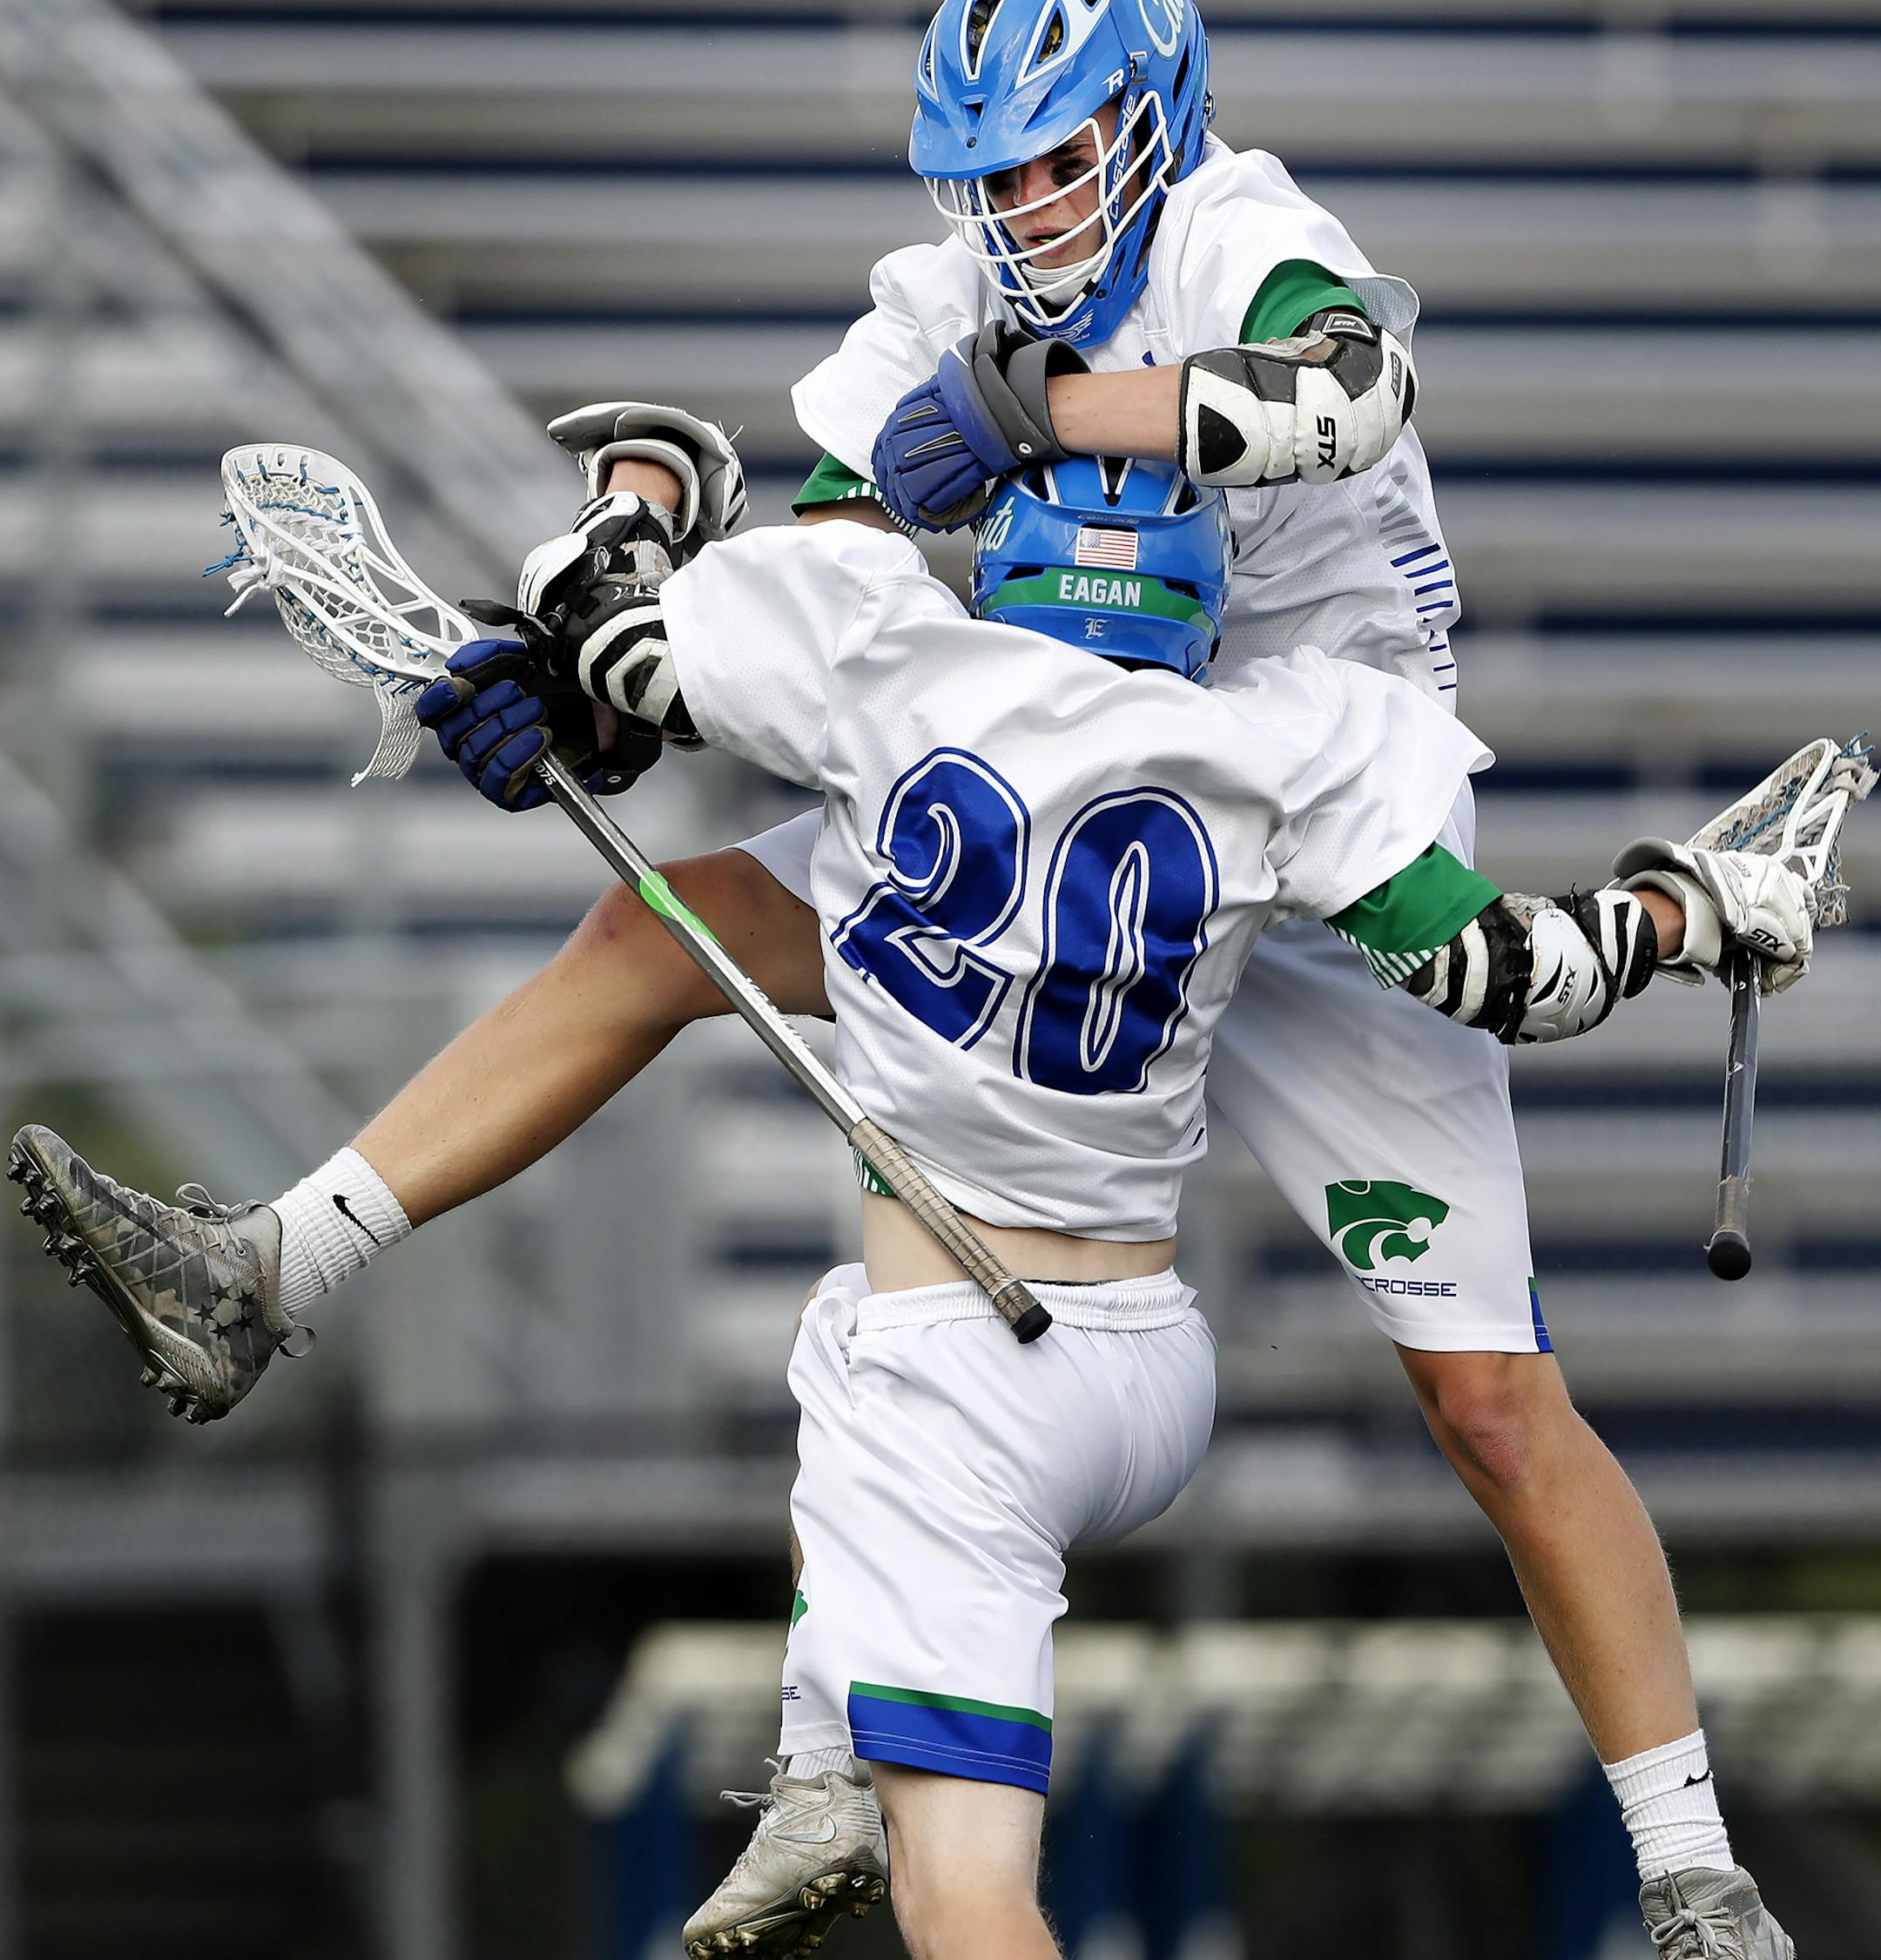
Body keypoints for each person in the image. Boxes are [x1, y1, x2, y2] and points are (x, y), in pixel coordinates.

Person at [3, 1, 1806, 1951]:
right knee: (663, 944)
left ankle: (1690, 1862)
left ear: (1157, 109)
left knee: (1483, 1404)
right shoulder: (946, 293)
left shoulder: (1236, 229)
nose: (1030, 212)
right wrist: (595, 681)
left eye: (1061, 159)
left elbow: (1340, 387)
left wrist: (961, 447)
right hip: (1128, 787)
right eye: (998, 174)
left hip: (1316, 817)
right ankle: (275, 1270)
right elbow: (832, 559)